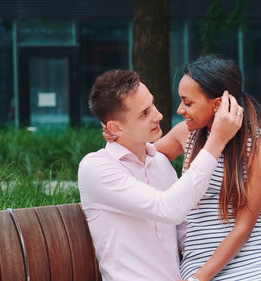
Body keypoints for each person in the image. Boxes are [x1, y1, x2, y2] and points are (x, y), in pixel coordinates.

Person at [78, 69, 244, 281]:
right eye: (144, 113)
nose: (159, 115)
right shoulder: (96, 167)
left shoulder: (160, 164)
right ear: (114, 127)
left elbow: (187, 233)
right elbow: (168, 209)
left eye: (152, 105)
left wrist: (248, 209)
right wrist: (217, 140)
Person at [154, 55, 261, 281]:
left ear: (219, 104)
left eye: (188, 102)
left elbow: (243, 230)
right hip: (200, 259)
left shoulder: (260, 146)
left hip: (257, 259)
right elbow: (142, 159)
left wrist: (198, 280)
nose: (180, 109)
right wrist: (116, 134)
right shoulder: (187, 134)